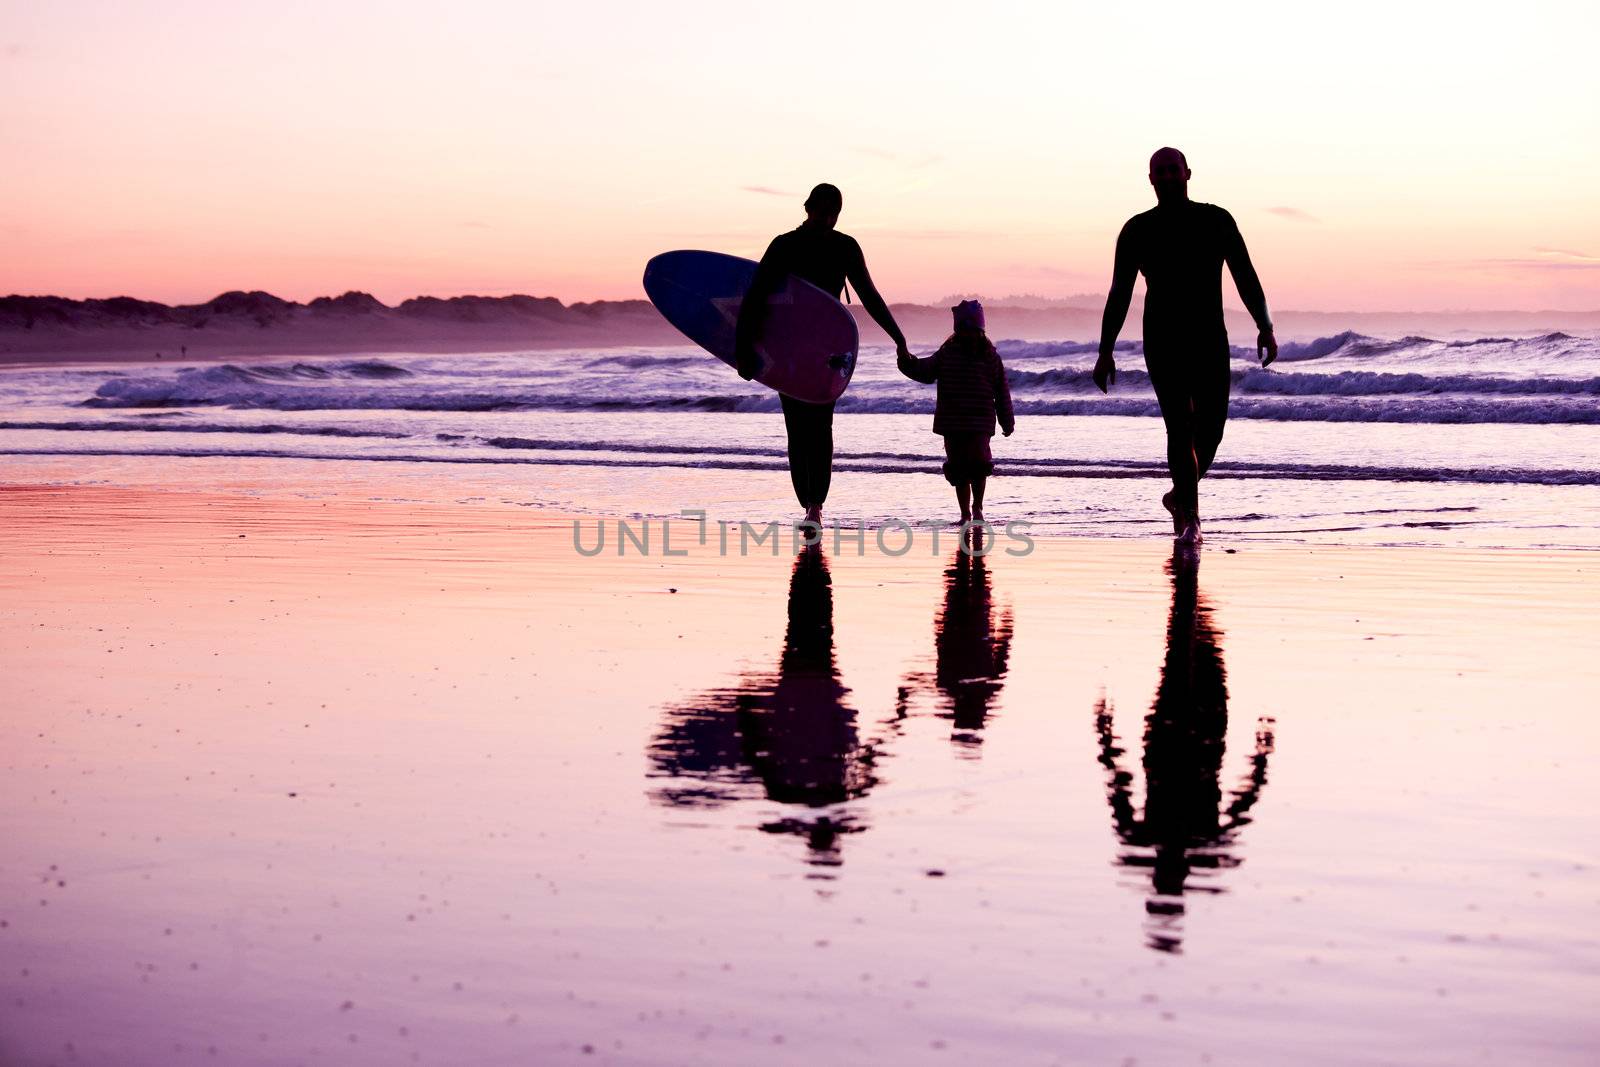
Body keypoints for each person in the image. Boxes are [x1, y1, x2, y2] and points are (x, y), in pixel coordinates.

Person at [1094, 147, 1277, 545]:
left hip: (1210, 336)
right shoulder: (1137, 230)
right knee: (1179, 427)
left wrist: (1264, 325)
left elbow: (1245, 274)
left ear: (1188, 173)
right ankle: (1190, 519)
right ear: (1150, 179)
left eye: (1173, 170)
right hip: (1162, 338)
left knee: (1211, 430)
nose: (1167, 177)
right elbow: (1120, 292)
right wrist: (1105, 348)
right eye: (1159, 172)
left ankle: (1179, 496)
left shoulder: (1215, 220)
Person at [735, 183, 912, 525]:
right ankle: (811, 504)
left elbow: (869, 296)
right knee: (808, 427)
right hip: (804, 349)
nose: (828, 219)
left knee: (809, 427)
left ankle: (812, 504)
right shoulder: (813, 245)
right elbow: (756, 298)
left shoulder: (804, 244)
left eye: (833, 214)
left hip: (808, 350)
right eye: (826, 212)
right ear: (811, 209)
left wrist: (899, 339)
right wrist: (744, 351)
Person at [897, 300, 1015, 525]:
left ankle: (977, 508)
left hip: (979, 423)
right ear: (958, 331)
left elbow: (1002, 391)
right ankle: (965, 514)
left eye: (973, 331)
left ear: (980, 331)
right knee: (959, 469)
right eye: (964, 330)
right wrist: (905, 363)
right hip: (953, 423)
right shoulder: (947, 353)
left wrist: (1007, 422)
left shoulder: (990, 356)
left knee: (979, 466)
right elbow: (925, 371)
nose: (969, 335)